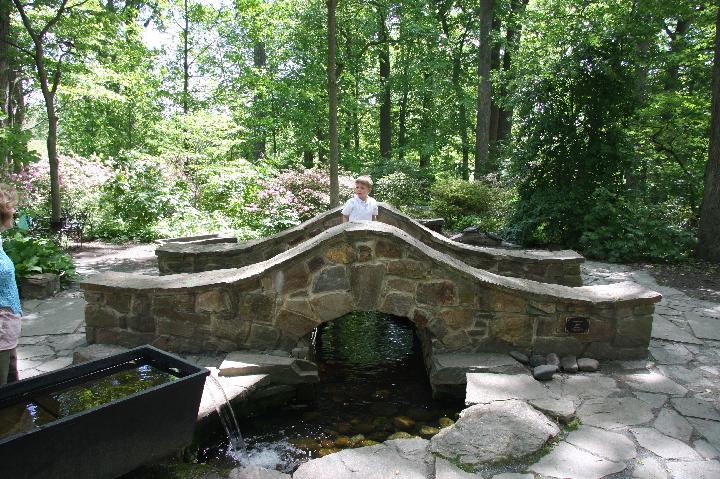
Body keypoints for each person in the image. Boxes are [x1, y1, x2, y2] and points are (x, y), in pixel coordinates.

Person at [0, 184, 22, 386]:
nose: (14, 210)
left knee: (13, 386)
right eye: (11, 206)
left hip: (8, 328)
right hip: (2, 328)